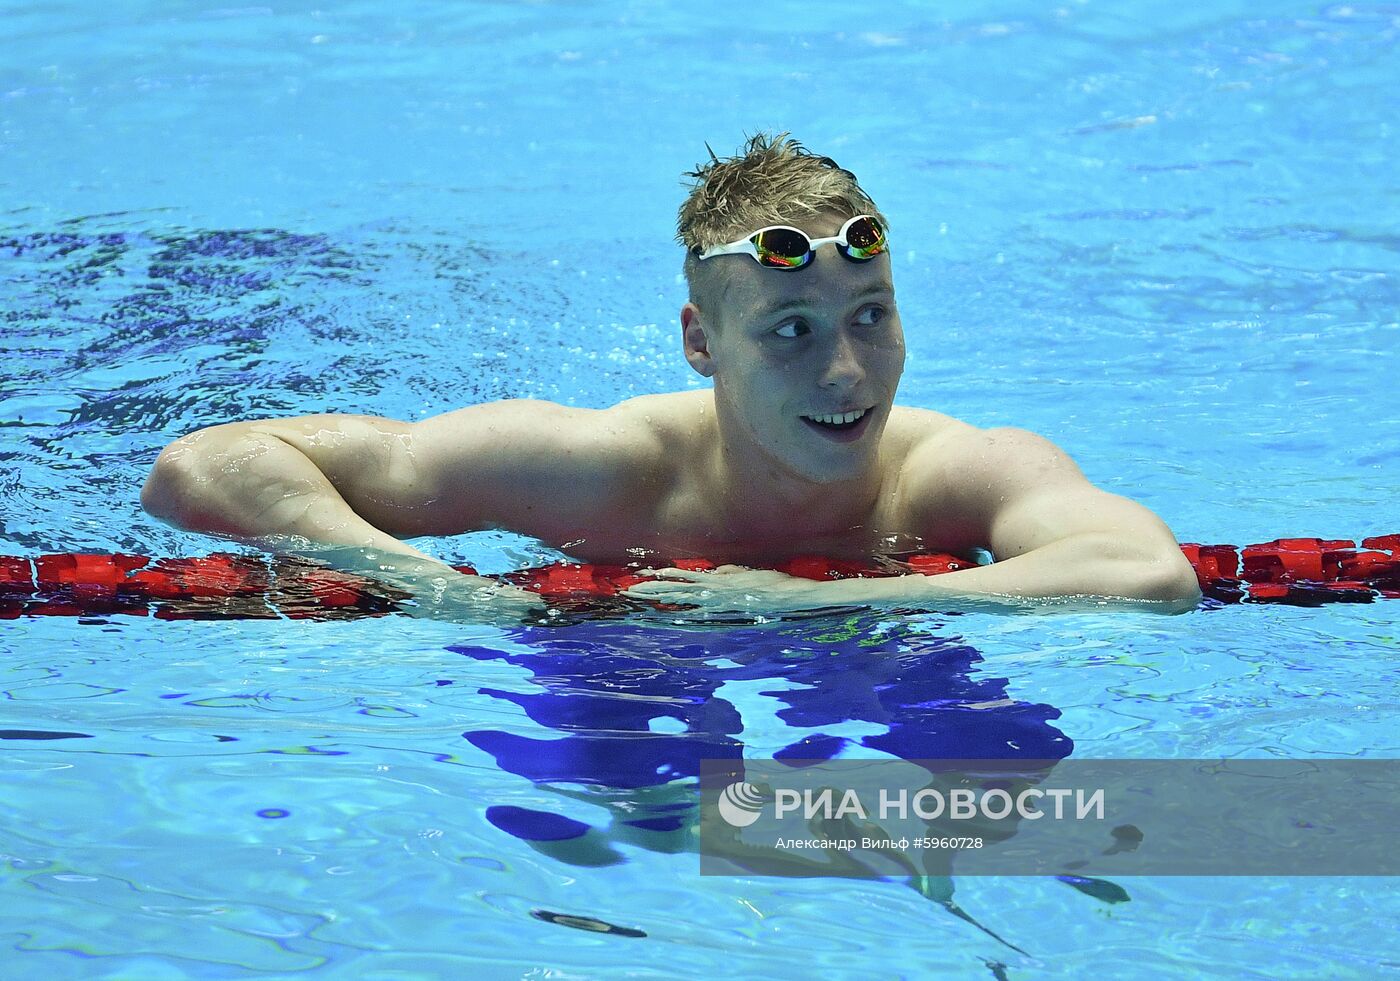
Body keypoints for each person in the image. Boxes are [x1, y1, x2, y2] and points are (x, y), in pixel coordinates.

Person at [141, 133, 1201, 619]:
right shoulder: (599, 472)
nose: (847, 371)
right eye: (788, 331)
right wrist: (429, 587)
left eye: (869, 316)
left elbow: (1147, 572)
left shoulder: (947, 472)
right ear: (701, 345)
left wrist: (797, 607)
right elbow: (204, 465)